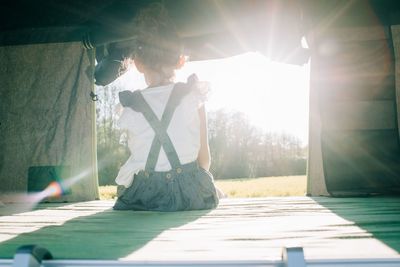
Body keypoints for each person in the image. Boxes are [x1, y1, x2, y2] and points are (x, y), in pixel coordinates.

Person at [113, 3, 220, 211]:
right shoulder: (193, 95)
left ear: (137, 62)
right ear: (181, 60)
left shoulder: (130, 106)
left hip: (144, 196)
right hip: (189, 193)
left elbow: (139, 155)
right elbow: (204, 160)